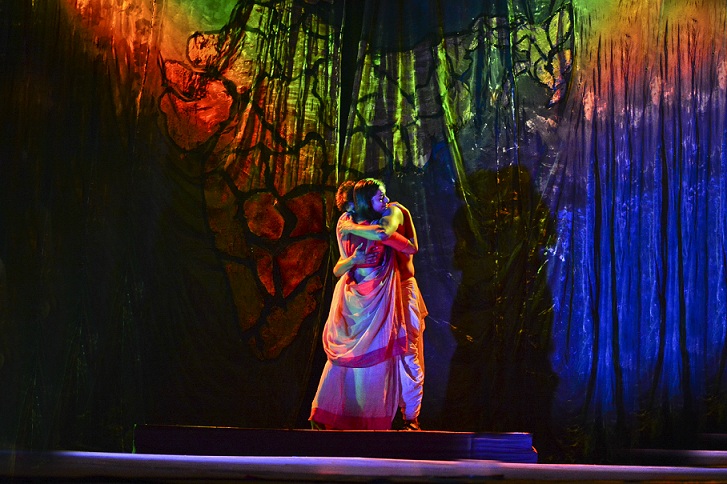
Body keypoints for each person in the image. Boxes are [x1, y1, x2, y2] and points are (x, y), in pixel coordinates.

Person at [309, 179, 416, 430]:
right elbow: (338, 268)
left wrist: (363, 234)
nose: (350, 213)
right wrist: (354, 259)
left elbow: (408, 246)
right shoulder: (347, 224)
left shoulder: (367, 224)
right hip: (354, 299)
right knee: (347, 359)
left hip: (375, 297)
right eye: (348, 208)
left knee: (374, 359)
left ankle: (372, 420)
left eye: (352, 207)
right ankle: (330, 416)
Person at [339, 181, 427, 431]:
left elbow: (385, 234)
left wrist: (350, 227)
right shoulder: (363, 224)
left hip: (402, 290)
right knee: (380, 355)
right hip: (381, 295)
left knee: (407, 352)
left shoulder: (393, 211)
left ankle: (411, 418)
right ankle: (373, 417)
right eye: (380, 197)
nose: (386, 200)